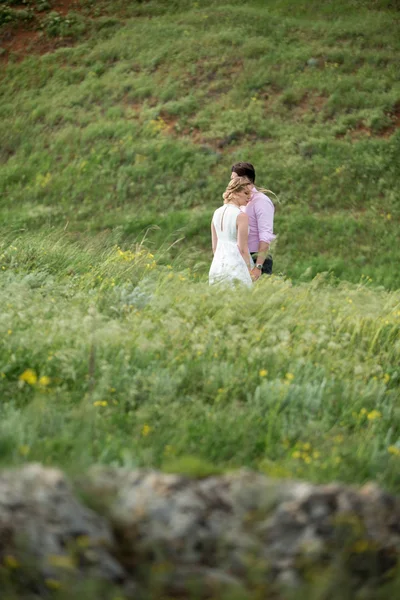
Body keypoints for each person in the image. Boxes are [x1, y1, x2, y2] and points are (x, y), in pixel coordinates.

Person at [231, 162, 276, 281]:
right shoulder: (239, 201)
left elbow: (265, 235)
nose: (231, 183)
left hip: (256, 256)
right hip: (241, 256)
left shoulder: (261, 202)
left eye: (235, 179)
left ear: (246, 180)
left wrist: (258, 266)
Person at [209, 177, 253, 287]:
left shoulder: (216, 213)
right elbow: (242, 249)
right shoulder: (241, 216)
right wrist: (249, 269)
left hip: (217, 266)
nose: (249, 196)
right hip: (236, 267)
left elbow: (214, 247)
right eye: (246, 193)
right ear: (235, 192)